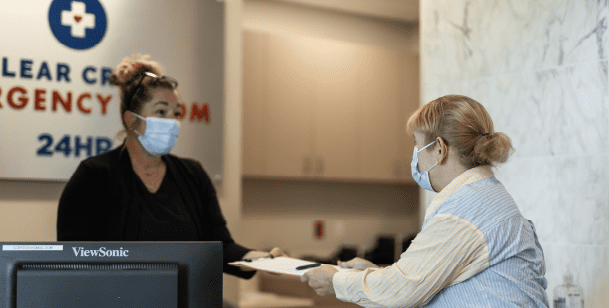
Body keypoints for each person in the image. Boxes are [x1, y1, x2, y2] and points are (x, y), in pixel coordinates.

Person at [301, 95, 549, 307]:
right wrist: (375, 275)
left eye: (417, 144)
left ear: (440, 149)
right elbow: (426, 282)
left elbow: (403, 289)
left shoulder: (464, 211)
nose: (415, 156)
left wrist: (335, 281)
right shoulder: (485, 195)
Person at [57, 55, 284, 281]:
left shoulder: (193, 175)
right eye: (161, 111)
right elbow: (73, 260)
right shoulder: (94, 176)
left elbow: (221, 248)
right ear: (131, 120)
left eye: (176, 113)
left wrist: (264, 259)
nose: (172, 121)